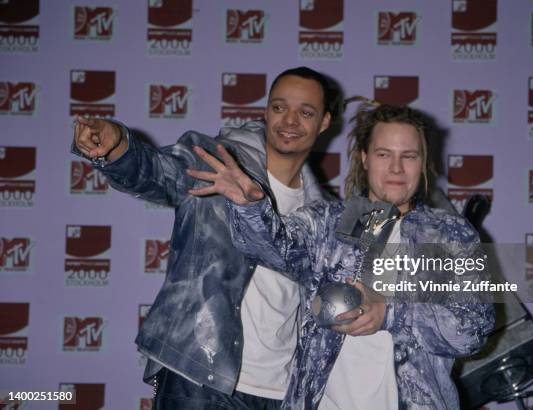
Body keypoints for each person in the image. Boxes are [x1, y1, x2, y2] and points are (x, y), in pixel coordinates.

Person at [191, 103, 495, 409]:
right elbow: (274, 248)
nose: (396, 168)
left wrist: (390, 313)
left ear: (423, 161)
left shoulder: (451, 235)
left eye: (409, 156)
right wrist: (250, 209)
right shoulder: (330, 223)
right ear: (364, 157)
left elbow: (474, 329)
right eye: (383, 154)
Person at [72, 67, 334, 409]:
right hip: (198, 378)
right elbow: (156, 172)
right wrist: (118, 146)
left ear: (325, 122)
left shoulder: (322, 211)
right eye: (279, 107)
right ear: (266, 111)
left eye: (306, 112)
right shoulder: (215, 160)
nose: (290, 120)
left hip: (279, 390)